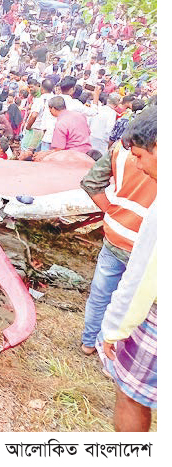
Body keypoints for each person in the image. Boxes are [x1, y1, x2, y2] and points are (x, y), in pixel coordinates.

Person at [78, 105, 157, 356]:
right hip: (143, 244)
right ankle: (109, 349)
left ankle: (89, 343)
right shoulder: (153, 156)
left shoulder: (120, 150)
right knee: (133, 299)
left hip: (115, 234)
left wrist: (111, 211)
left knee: (101, 294)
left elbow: (91, 182)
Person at [97, 107, 157, 431]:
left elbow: (141, 278)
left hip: (118, 236)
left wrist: (115, 329)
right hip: (122, 235)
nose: (136, 164)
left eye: (139, 155)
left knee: (131, 393)